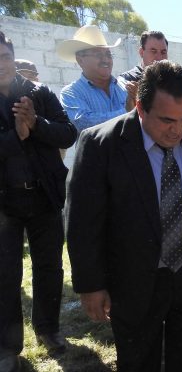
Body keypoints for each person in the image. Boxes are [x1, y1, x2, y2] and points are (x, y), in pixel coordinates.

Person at [66, 60, 182, 371]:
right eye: (167, 120)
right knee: (138, 361)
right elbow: (83, 222)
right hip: (134, 281)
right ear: (141, 108)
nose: (177, 130)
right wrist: (90, 284)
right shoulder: (101, 145)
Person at [0, 31, 77, 372]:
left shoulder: (39, 93)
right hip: (5, 203)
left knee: (49, 267)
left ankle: (48, 329)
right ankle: (8, 346)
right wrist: (15, 134)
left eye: (3, 56)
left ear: (12, 57)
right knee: (6, 274)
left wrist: (36, 123)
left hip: (44, 197)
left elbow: (68, 132)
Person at [57, 25, 133, 134]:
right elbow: (83, 123)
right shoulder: (71, 93)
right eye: (98, 55)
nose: (106, 60)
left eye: (108, 54)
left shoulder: (125, 86)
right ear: (80, 60)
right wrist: (128, 112)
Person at [118, 30, 168, 102]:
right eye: (153, 51)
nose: (159, 58)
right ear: (141, 52)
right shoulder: (127, 81)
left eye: (163, 52)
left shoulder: (172, 80)